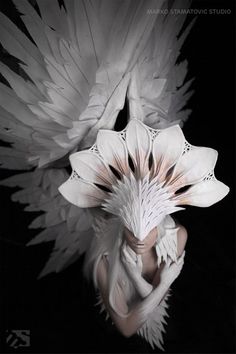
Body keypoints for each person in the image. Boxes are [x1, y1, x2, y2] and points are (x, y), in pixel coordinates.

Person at [95, 216, 187, 341]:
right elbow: (126, 329)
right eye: (131, 228)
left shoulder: (176, 235)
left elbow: (158, 301)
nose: (140, 239)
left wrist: (137, 279)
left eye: (149, 228)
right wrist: (164, 283)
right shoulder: (103, 257)